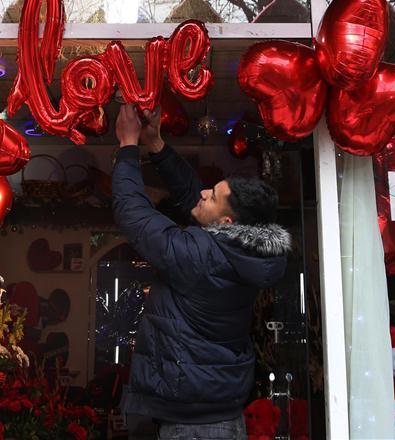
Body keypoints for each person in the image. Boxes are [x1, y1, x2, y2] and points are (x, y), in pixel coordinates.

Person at [111, 103, 291, 440]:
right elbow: (194, 197)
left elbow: (134, 215)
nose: (204, 192)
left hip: (193, 427)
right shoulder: (241, 249)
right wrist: (157, 146)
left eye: (213, 196)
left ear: (226, 223)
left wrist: (127, 146)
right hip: (216, 411)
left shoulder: (202, 256)